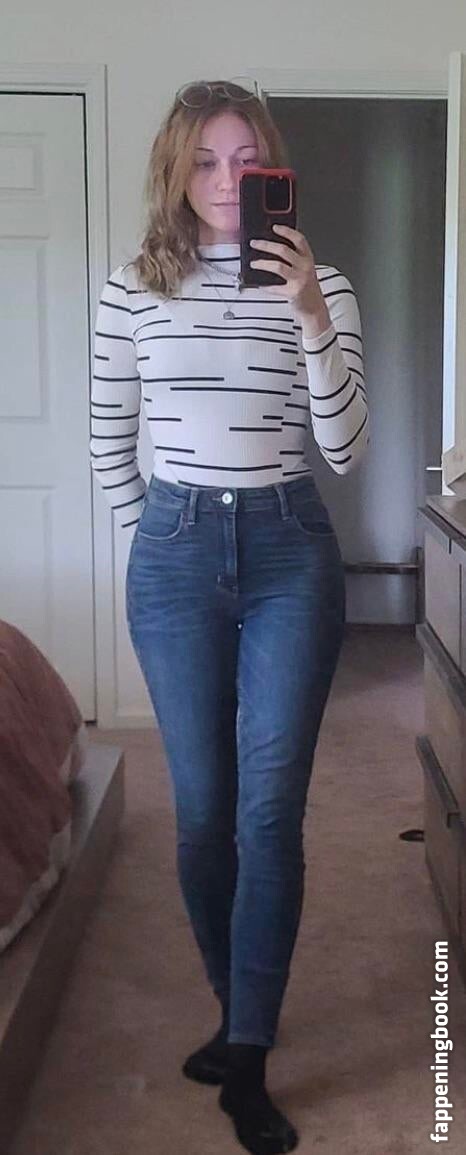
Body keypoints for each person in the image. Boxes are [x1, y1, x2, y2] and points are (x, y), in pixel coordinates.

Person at [90, 78, 369, 1155]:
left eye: (246, 159)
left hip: (290, 548)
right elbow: (109, 437)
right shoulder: (132, 289)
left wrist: (310, 319)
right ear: (174, 167)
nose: (225, 179)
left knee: (269, 813)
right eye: (205, 159)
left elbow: (344, 448)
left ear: (271, 168)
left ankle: (246, 1052)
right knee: (203, 811)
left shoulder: (322, 284)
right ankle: (233, 1000)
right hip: (173, 552)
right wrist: (152, 539)